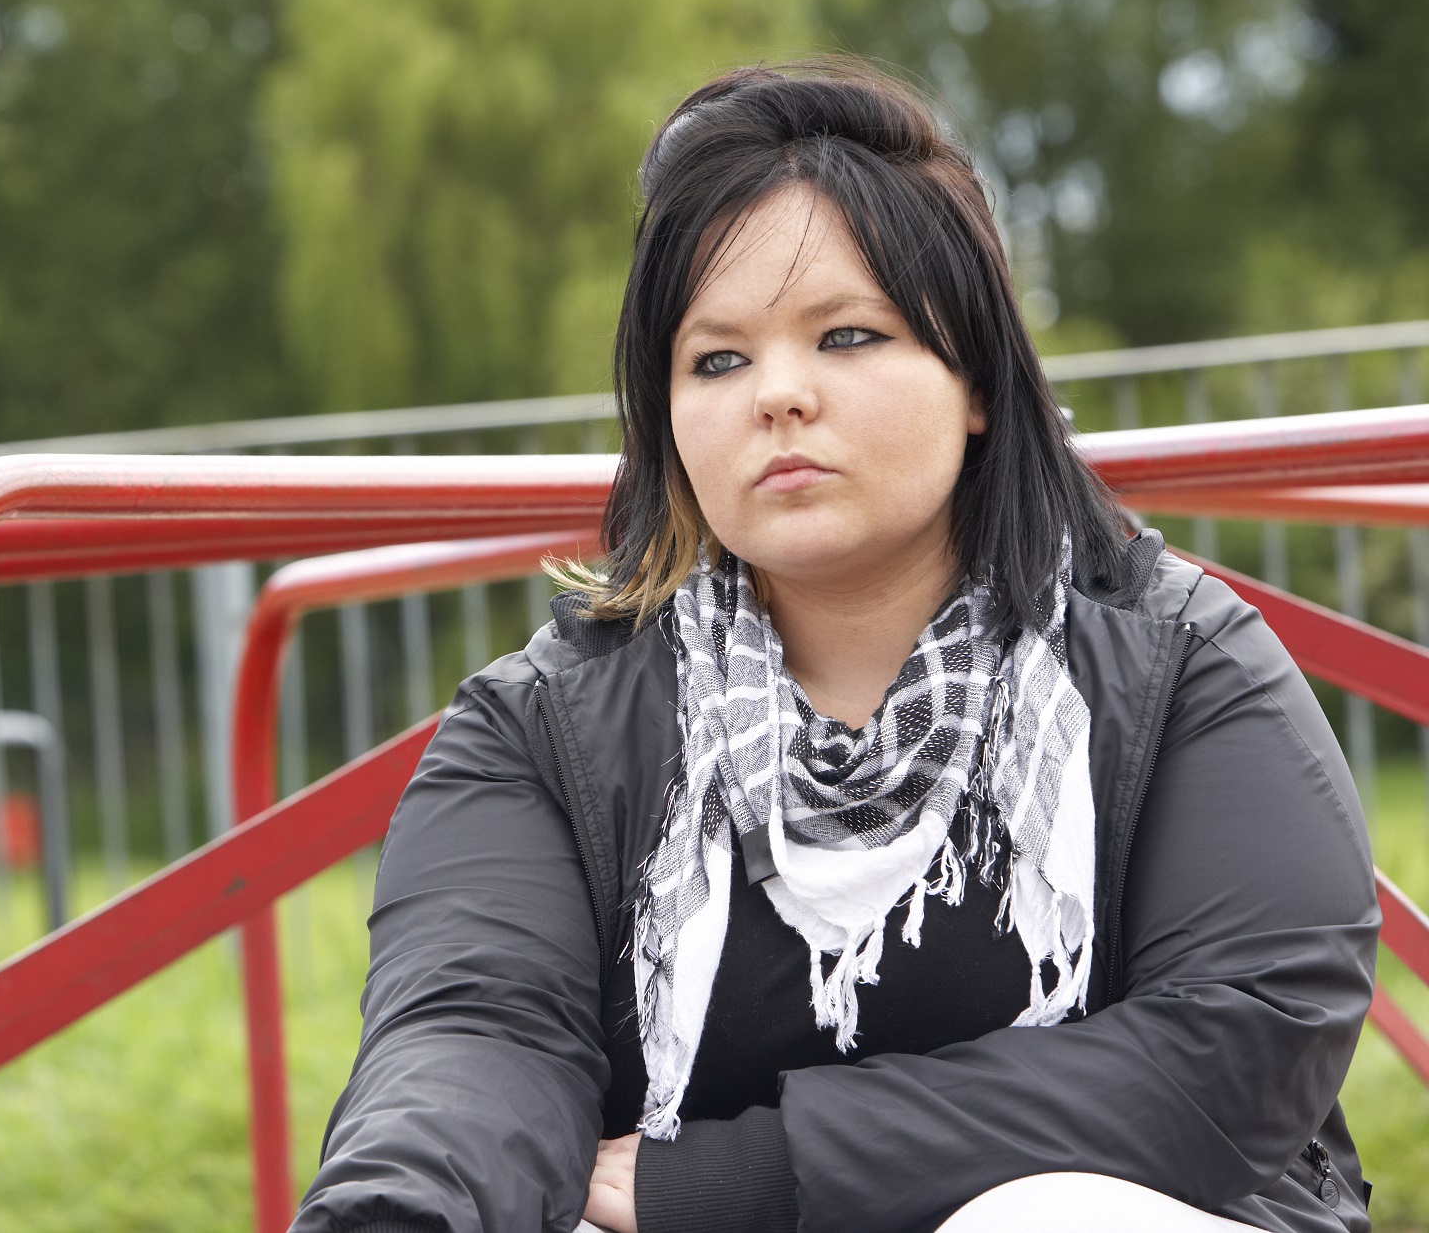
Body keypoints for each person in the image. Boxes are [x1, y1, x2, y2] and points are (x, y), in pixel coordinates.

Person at [290, 60, 1378, 1233]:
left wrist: (751, 1177)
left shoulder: (1173, 665)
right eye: (716, 359)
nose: (777, 396)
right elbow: (472, 1034)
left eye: (848, 335)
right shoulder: (544, 730)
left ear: (974, 381)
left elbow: (1237, 1047)